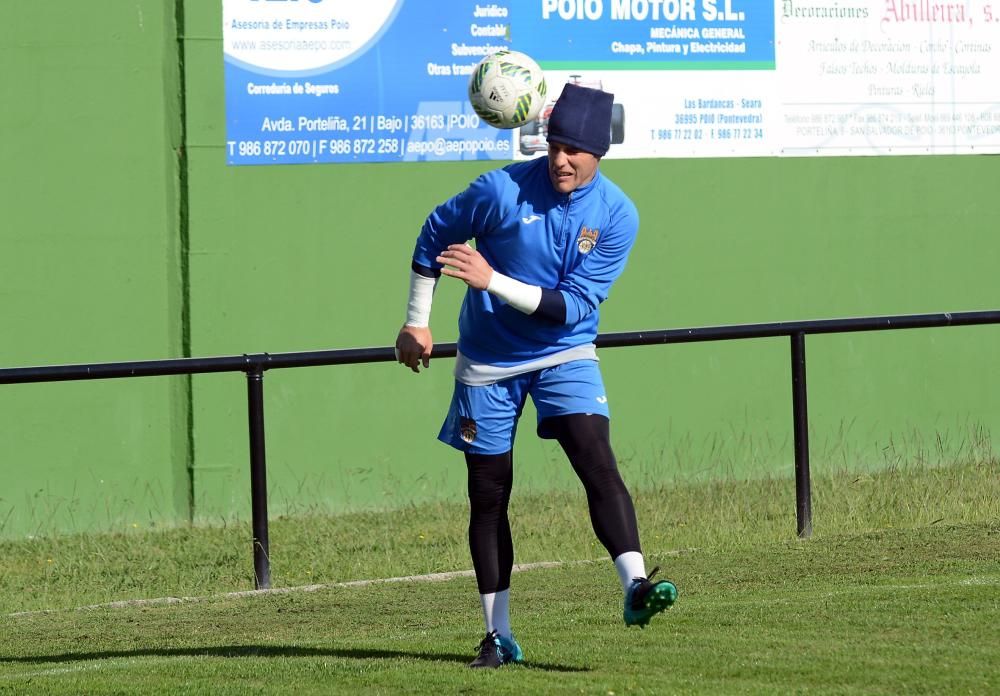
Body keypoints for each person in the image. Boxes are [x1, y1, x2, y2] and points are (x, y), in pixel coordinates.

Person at [395, 83, 677, 669]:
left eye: (575, 149)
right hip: (489, 360)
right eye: (554, 145)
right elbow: (432, 234)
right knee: (489, 494)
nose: (561, 159)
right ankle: (496, 636)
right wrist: (416, 323)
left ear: (600, 152)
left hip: (563, 350)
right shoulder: (499, 190)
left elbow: (573, 308)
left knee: (594, 454)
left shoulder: (618, 215)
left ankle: (636, 586)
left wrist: (491, 280)